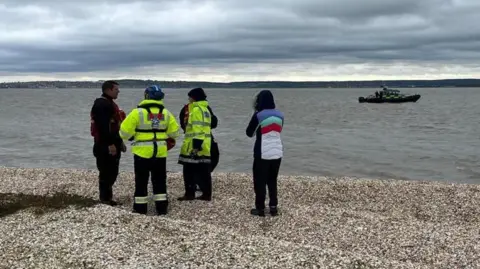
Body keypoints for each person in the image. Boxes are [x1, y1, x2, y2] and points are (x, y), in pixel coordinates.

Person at [119, 85, 180, 215]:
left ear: (146, 95)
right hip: (160, 152)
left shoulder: (137, 112)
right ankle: (162, 208)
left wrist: (135, 134)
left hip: (141, 152)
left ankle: (140, 209)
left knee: (141, 181)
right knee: (160, 181)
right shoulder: (166, 113)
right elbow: (175, 133)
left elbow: (123, 133)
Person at [246, 90, 284, 217]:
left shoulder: (259, 115)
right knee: (272, 180)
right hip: (277, 151)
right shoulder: (280, 115)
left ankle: (260, 208)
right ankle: (273, 207)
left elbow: (249, 133)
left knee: (259, 181)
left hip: (262, 152)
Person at [90, 80, 126, 206]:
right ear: (109, 90)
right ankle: (105, 198)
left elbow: (115, 126)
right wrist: (110, 144)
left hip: (113, 142)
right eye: (116, 89)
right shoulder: (101, 105)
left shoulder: (110, 104)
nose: (118, 91)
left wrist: (120, 142)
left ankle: (107, 197)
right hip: (104, 144)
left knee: (113, 171)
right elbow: (103, 127)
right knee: (106, 172)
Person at [177, 87, 213, 201]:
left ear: (194, 98)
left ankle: (189, 193)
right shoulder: (206, 109)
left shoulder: (196, 110)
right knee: (204, 171)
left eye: (190, 97)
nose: (189, 99)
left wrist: (195, 147)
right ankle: (207, 194)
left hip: (194, 145)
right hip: (206, 145)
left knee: (188, 171)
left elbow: (197, 128)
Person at [179, 96, 219, 191]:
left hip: (205, 137)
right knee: (193, 163)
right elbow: (213, 123)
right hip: (197, 138)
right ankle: (197, 184)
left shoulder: (204, 108)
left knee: (212, 158)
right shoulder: (189, 109)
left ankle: (199, 181)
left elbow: (213, 123)